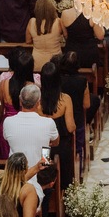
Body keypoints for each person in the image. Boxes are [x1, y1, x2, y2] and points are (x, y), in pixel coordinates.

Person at [37, 61, 76, 196]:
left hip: (44, 148)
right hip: (61, 147)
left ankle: (48, 197)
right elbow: (70, 127)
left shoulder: (37, 101)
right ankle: (66, 196)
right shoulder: (65, 99)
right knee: (65, 175)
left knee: (45, 173)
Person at [1, 84, 59, 174]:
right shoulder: (48, 122)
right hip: (40, 174)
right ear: (39, 103)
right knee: (46, 152)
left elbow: (7, 139)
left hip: (15, 175)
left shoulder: (8, 121)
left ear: (20, 101)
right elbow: (56, 142)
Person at [25, 0, 65, 67]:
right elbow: (66, 36)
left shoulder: (32, 22)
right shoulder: (58, 21)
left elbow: (28, 41)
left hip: (37, 61)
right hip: (55, 61)